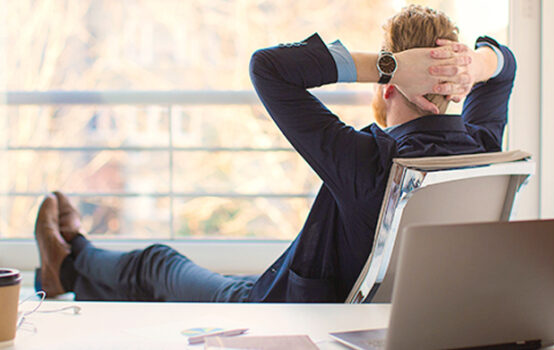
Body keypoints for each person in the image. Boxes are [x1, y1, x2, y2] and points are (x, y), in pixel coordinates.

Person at [34, 5, 515, 302]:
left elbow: (269, 68)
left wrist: (387, 65)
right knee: (200, 274)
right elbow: (505, 64)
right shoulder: (480, 146)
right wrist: (476, 63)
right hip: (391, 317)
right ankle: (67, 271)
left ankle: (70, 261)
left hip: (280, 314)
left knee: (160, 265)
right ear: (459, 84)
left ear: (389, 87)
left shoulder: (366, 160)